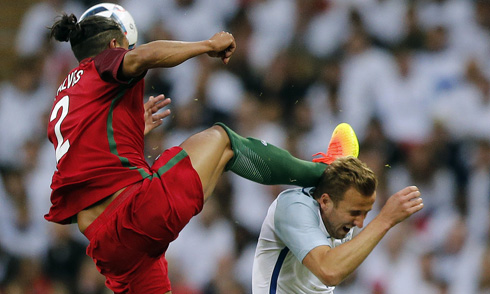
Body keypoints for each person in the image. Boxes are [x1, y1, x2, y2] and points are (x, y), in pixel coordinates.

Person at [45, 10, 353, 293]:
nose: (127, 52)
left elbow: (83, 160)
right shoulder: (104, 64)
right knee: (222, 140)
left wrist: (132, 130)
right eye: (125, 46)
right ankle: (327, 172)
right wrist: (207, 45)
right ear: (114, 44)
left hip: (107, 246)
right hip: (134, 215)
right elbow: (142, 57)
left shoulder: (68, 93)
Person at [252, 156, 424, 293]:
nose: (360, 223)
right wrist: (385, 219)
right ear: (325, 201)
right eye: (355, 212)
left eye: (366, 213)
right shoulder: (294, 207)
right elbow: (329, 271)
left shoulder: (338, 218)